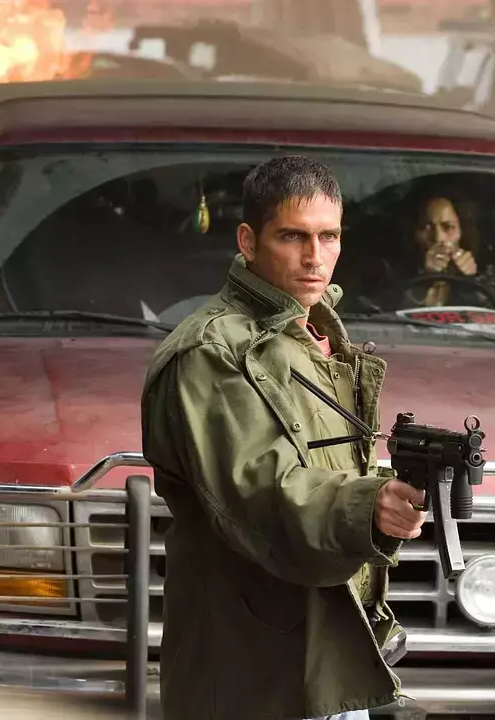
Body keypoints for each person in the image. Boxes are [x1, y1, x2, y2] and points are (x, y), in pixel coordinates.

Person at [140, 155, 428, 720]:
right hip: (250, 668)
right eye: (293, 236)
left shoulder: (314, 331)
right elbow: (258, 492)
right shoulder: (210, 350)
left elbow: (328, 467)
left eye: (329, 236)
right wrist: (369, 505)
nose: (314, 256)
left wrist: (393, 490)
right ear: (248, 241)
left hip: (329, 654)